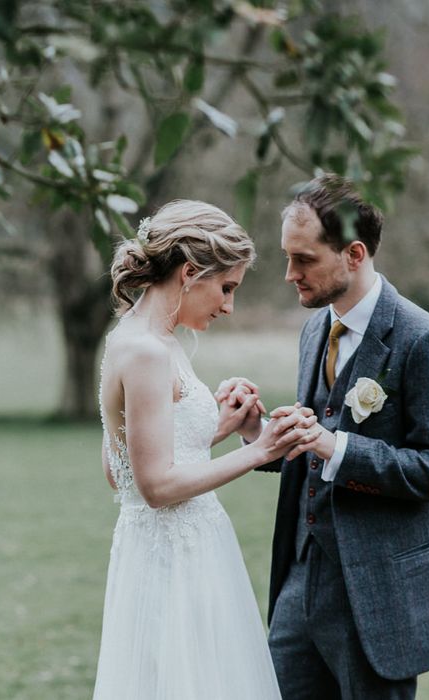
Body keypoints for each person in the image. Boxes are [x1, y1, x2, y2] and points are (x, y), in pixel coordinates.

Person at [217, 174, 429, 700]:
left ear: (354, 253)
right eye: (286, 257)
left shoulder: (425, 339)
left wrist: (336, 446)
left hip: (380, 593)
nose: (290, 274)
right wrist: (258, 434)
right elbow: (310, 445)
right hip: (301, 577)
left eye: (305, 259)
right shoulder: (316, 327)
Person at [93, 199, 313, 700]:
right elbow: (154, 487)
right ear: (191, 272)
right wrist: (262, 450)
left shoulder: (143, 338)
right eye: (226, 287)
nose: (229, 306)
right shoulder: (148, 351)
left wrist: (218, 427)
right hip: (172, 559)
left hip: (175, 552)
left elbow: (117, 468)